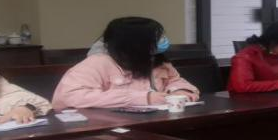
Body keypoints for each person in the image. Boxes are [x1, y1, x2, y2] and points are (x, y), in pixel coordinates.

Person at [51, 17, 198, 110]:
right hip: (102, 128)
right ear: (135, 43)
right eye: (156, 38)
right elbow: (72, 96)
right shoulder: (97, 63)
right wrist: (142, 98)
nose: (162, 41)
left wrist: (181, 92)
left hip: (149, 121)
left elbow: (176, 81)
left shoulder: (156, 61)